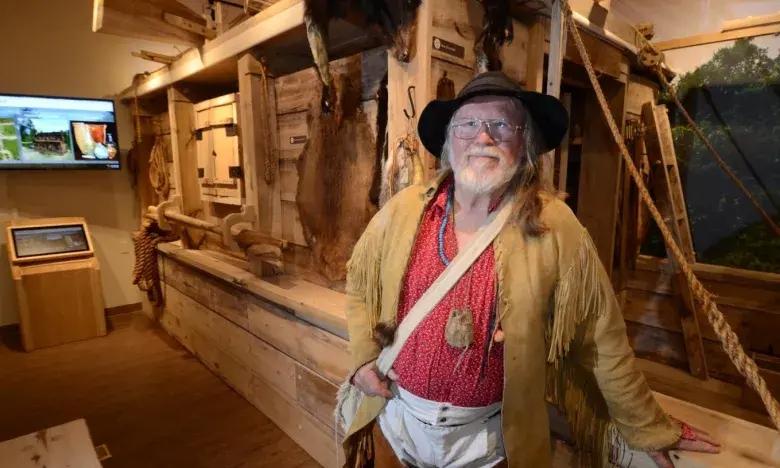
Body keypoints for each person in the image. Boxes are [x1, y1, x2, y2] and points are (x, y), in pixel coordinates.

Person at [340, 71, 720, 467]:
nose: (483, 137)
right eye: (468, 124)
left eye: (502, 124)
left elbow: (601, 336)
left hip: (488, 444)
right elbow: (360, 283)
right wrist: (365, 359)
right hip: (398, 424)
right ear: (450, 140)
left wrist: (647, 426)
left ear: (525, 144)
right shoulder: (404, 210)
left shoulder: (556, 224)